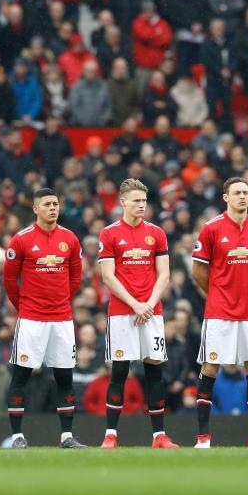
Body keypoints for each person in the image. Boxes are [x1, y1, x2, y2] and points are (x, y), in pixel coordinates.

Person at [192, 177, 248, 448]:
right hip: (219, 312)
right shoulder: (211, 229)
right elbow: (198, 272)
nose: (242, 196)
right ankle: (203, 438)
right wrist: (221, 292)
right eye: (237, 193)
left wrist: (246, 288)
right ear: (225, 198)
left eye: (246, 192)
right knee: (210, 367)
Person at [97, 179, 178, 449]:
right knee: (119, 371)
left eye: (144, 201)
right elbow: (108, 277)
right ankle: (110, 435)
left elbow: (164, 273)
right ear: (122, 202)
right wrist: (135, 304)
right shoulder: (109, 234)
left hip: (151, 312)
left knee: (155, 372)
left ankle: (159, 436)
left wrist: (149, 305)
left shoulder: (156, 233)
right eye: (136, 201)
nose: (141, 206)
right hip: (122, 313)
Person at [2, 188, 86, 449]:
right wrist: (24, 307)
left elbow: (75, 278)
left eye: (56, 204)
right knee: (21, 376)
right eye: (47, 204)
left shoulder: (70, 239)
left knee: (64, 376)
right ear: (35, 208)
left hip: (61, 319)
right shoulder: (21, 240)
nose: (53, 208)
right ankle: (17, 436)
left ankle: (66, 437)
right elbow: (9, 280)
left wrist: (61, 301)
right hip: (32, 320)